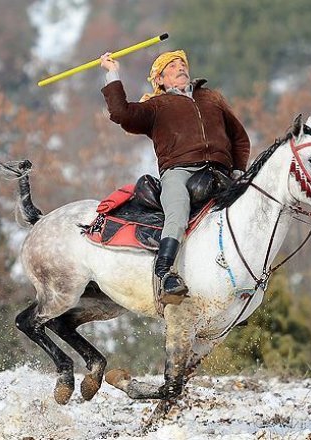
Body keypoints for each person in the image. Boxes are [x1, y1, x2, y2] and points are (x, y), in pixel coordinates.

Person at [99, 49, 251, 305]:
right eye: (171, 66)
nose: (180, 67)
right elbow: (121, 114)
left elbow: (238, 137)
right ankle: (165, 274)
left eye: (182, 63)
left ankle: (241, 281)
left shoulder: (212, 98)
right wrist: (112, 74)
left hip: (221, 172)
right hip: (179, 172)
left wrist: (238, 169)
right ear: (159, 79)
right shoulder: (156, 106)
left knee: (250, 213)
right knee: (178, 212)